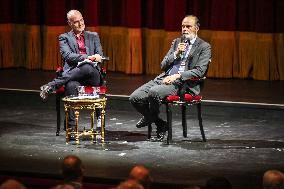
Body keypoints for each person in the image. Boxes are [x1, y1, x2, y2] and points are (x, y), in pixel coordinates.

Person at [129, 15, 211, 141]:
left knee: (154, 92)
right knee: (134, 97)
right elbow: (163, 65)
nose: (184, 29)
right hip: (164, 78)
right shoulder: (177, 42)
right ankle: (159, 123)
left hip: (183, 84)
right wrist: (176, 53)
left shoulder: (204, 47)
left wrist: (177, 76)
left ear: (196, 28)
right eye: (183, 26)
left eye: (188, 26)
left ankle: (151, 118)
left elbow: (199, 71)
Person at [40, 10, 104, 130]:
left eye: (82, 20)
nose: (80, 24)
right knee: (71, 86)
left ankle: (52, 85)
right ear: (70, 23)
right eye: (76, 22)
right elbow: (68, 56)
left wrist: (93, 58)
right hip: (74, 75)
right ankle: (71, 128)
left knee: (86, 66)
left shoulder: (93, 36)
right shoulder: (64, 38)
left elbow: (99, 54)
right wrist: (87, 57)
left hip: (92, 75)